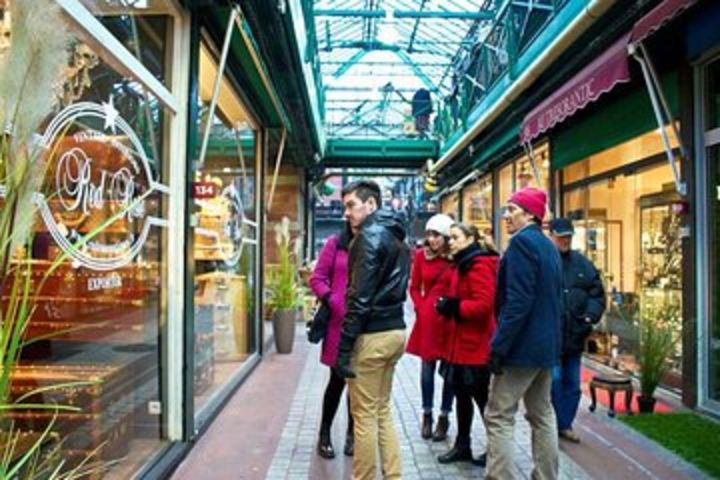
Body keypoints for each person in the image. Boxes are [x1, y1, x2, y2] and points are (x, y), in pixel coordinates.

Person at [334, 180, 411, 480]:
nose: (346, 213)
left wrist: (343, 349)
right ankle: (393, 476)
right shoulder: (397, 238)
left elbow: (360, 299)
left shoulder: (367, 238)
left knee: (363, 415)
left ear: (371, 204)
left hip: (372, 335)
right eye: (345, 207)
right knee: (381, 410)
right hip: (395, 332)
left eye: (351, 205)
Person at [485, 187, 562, 480]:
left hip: (521, 348)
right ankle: (546, 476)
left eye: (512, 209)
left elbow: (517, 301)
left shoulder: (520, 245)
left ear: (530, 214)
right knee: (542, 415)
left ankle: (499, 476)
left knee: (499, 415)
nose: (506, 215)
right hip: (545, 347)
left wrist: (499, 346)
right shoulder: (548, 246)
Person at [435, 222, 498, 467]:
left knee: (482, 400)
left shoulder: (479, 264)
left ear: (471, 238)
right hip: (459, 345)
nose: (451, 241)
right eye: (449, 237)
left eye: (456, 237)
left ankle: (495, 448)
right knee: (461, 397)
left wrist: (454, 307)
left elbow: (484, 305)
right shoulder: (461, 263)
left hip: (474, 347)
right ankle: (463, 445)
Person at [549, 218, 606, 443]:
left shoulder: (583, 264)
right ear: (551, 235)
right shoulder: (544, 262)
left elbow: (597, 294)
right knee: (553, 382)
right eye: (561, 236)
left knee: (572, 384)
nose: (565, 240)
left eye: (568, 237)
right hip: (551, 336)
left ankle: (564, 424)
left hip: (575, 335)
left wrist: (590, 317)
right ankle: (551, 424)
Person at [406, 214, 455, 441]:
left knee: (449, 372)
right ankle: (427, 414)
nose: (432, 240)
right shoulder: (420, 256)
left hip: (450, 319)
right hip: (428, 320)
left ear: (446, 236)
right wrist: (420, 307)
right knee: (427, 370)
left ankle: (444, 416)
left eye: (437, 235)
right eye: (429, 234)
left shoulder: (455, 258)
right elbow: (414, 287)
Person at [309, 223, 355, 459]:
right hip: (338, 324)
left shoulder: (373, 244)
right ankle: (324, 434)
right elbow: (317, 278)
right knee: (337, 381)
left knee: (357, 384)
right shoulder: (335, 244)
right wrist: (333, 300)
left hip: (364, 324)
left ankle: (353, 434)